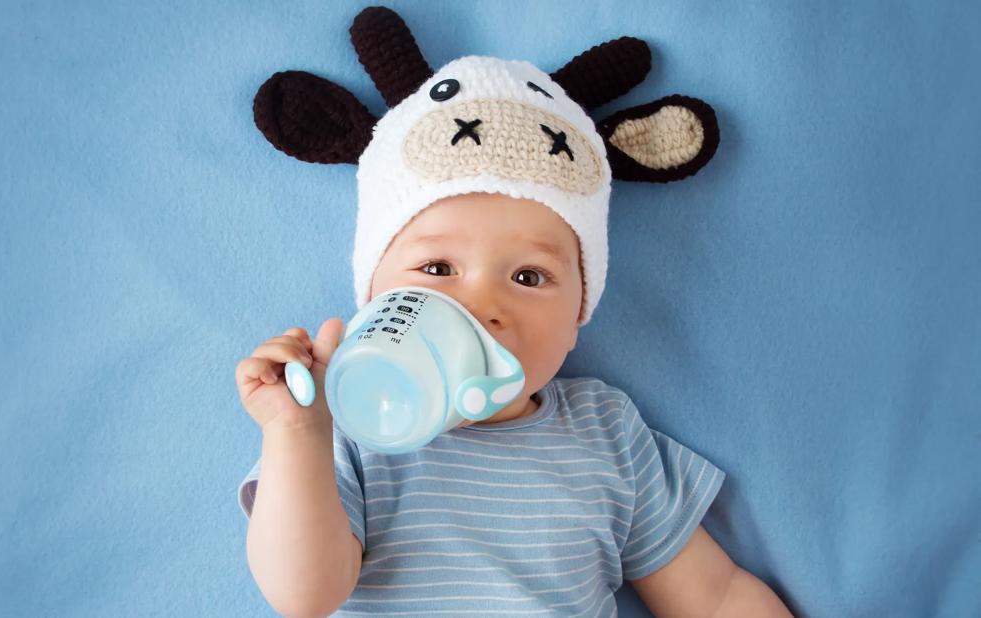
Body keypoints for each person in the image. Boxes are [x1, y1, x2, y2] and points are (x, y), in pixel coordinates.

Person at [236, 7, 791, 615]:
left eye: (529, 276)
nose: (481, 305)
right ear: (374, 297)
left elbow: (714, 597)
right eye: (437, 269)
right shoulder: (341, 426)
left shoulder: (606, 433)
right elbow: (303, 594)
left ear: (580, 314)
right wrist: (295, 433)